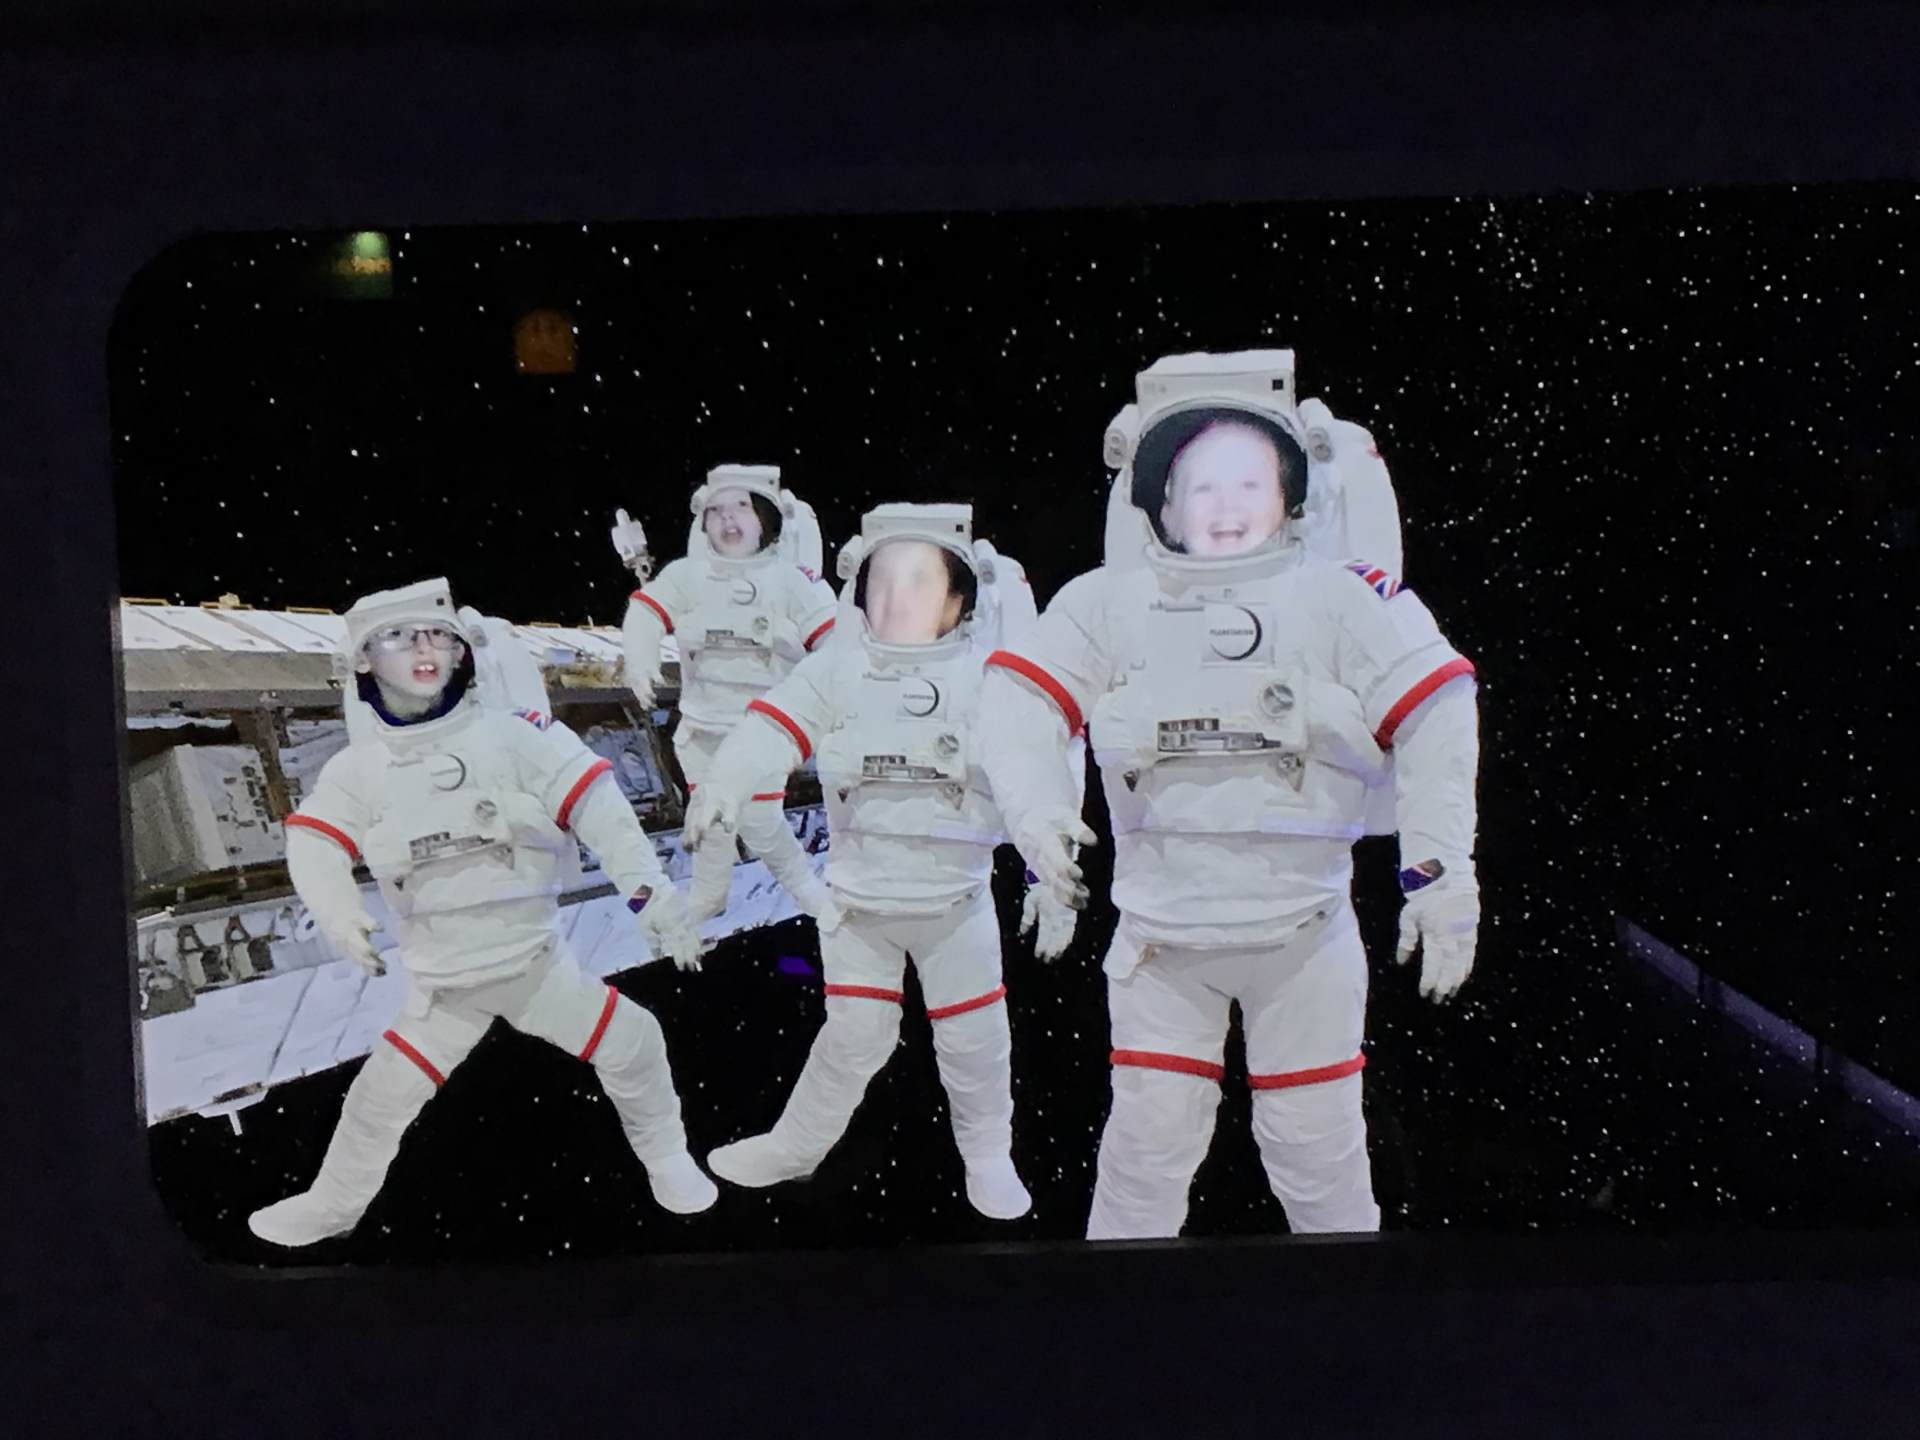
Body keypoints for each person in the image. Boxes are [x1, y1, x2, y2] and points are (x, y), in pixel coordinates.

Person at [977, 349, 1482, 1241]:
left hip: (1304, 938)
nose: (1225, 505)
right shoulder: (1107, 604)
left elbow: (1437, 703)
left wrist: (1442, 873)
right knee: (1144, 1157)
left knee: (1318, 1155)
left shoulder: (1340, 598)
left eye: (1249, 483)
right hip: (1162, 943)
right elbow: (1018, 700)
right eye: (1200, 486)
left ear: (1291, 498)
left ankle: (1349, 1322)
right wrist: (1037, 815)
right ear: (1162, 506)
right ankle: (1119, 1324)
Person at [247, 578, 714, 1249]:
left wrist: (649, 895)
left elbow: (597, 804)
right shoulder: (358, 772)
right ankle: (333, 1206)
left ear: (463, 653)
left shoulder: (515, 736)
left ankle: (668, 1161)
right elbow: (315, 842)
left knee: (635, 1042)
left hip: (535, 969)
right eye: (400, 637)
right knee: (377, 1103)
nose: (423, 648)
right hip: (444, 989)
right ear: (363, 660)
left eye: (437, 635)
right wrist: (339, 914)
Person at [679, 504, 1071, 1221]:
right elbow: (770, 727)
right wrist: (726, 781)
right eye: (882, 580)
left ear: (958, 601)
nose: (895, 598)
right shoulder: (837, 672)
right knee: (853, 1039)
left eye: (918, 581)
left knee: (974, 1041)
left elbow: (1032, 779)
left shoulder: (990, 682)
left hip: (955, 907)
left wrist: (1048, 870)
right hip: (859, 908)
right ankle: (796, 1149)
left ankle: (988, 1156)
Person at [621, 465, 840, 927]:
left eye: (741, 506)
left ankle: (808, 892)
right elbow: (646, 610)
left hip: (761, 734)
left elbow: (835, 645)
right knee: (708, 818)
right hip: (700, 728)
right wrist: (639, 658)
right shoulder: (687, 576)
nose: (728, 518)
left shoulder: (792, 582)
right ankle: (709, 893)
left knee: (759, 822)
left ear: (765, 518)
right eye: (717, 510)